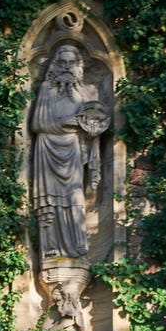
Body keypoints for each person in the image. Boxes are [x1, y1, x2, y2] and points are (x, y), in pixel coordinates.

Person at [31, 44, 110, 264]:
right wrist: (66, 123)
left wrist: (92, 131)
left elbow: (92, 122)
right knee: (51, 201)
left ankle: (77, 248)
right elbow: (37, 124)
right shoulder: (47, 89)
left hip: (73, 150)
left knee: (75, 198)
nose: (67, 67)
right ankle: (51, 249)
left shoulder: (84, 93)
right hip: (48, 150)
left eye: (71, 63)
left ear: (78, 66)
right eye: (62, 63)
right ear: (55, 65)